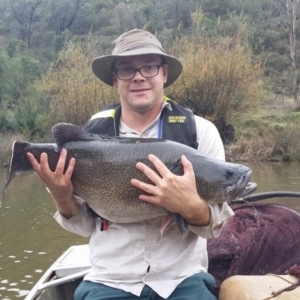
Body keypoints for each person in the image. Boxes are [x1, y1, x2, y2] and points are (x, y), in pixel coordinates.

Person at [27, 29, 234, 300]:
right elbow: (86, 227)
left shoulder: (200, 132)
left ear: (164, 74)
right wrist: (62, 197)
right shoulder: (92, 137)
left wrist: (189, 206)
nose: (138, 77)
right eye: (126, 69)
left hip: (181, 281)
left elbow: (215, 227)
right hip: (110, 280)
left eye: (149, 67)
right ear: (115, 80)